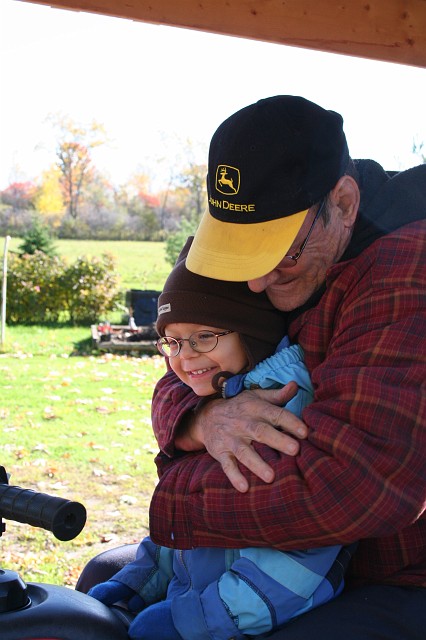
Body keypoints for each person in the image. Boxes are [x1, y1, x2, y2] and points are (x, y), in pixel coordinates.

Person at [78, 95, 425, 639]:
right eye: (243, 252)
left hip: (396, 572)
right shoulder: (274, 235)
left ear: (344, 202)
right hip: (276, 547)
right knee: (102, 583)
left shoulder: (407, 268)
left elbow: (351, 488)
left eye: (279, 253)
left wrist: (176, 493)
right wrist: (201, 421)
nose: (256, 282)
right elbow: (180, 371)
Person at [87, 237, 356, 640]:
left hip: (268, 615)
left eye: (204, 337)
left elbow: (302, 554)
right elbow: (190, 511)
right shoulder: (215, 399)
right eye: (173, 342)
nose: (186, 356)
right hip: (209, 599)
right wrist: (143, 579)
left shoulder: (282, 407)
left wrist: (203, 618)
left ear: (250, 332)